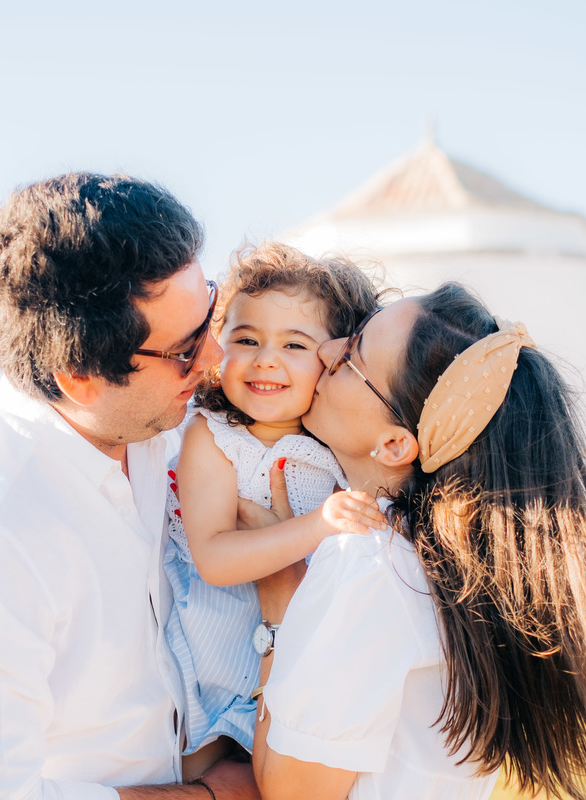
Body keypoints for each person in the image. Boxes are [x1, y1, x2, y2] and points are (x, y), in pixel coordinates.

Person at [0, 173, 257, 800]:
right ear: (79, 377)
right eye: (184, 349)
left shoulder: (165, 420)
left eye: (210, 309)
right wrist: (215, 798)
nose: (214, 358)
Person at [248, 283, 586, 800]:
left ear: (395, 443)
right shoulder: (452, 573)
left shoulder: (372, 563)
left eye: (351, 356)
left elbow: (289, 794)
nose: (326, 350)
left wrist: (279, 606)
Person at [163, 242, 386, 778]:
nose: (266, 358)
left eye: (293, 344)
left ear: (333, 359)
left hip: (296, 669)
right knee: (192, 783)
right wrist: (316, 525)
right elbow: (215, 557)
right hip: (209, 669)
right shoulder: (213, 436)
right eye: (246, 339)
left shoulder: (336, 446)